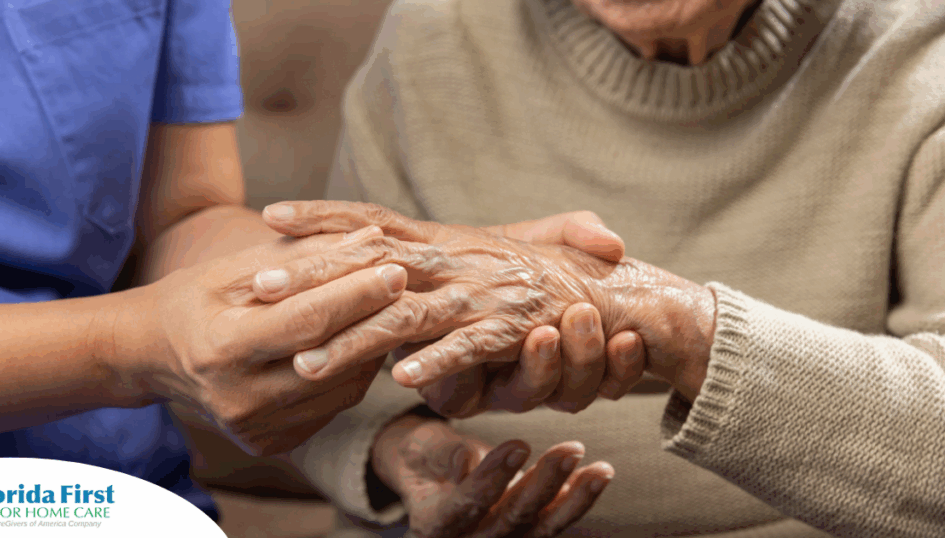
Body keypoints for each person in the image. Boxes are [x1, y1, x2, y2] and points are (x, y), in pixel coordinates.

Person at [0, 1, 627, 533]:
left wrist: (417, 263)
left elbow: (181, 220)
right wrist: (135, 344)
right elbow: (147, 328)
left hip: (106, 490)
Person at [258, 0, 945, 535]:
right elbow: (312, 373)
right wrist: (401, 450)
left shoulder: (919, 46)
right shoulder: (431, 33)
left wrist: (674, 323)